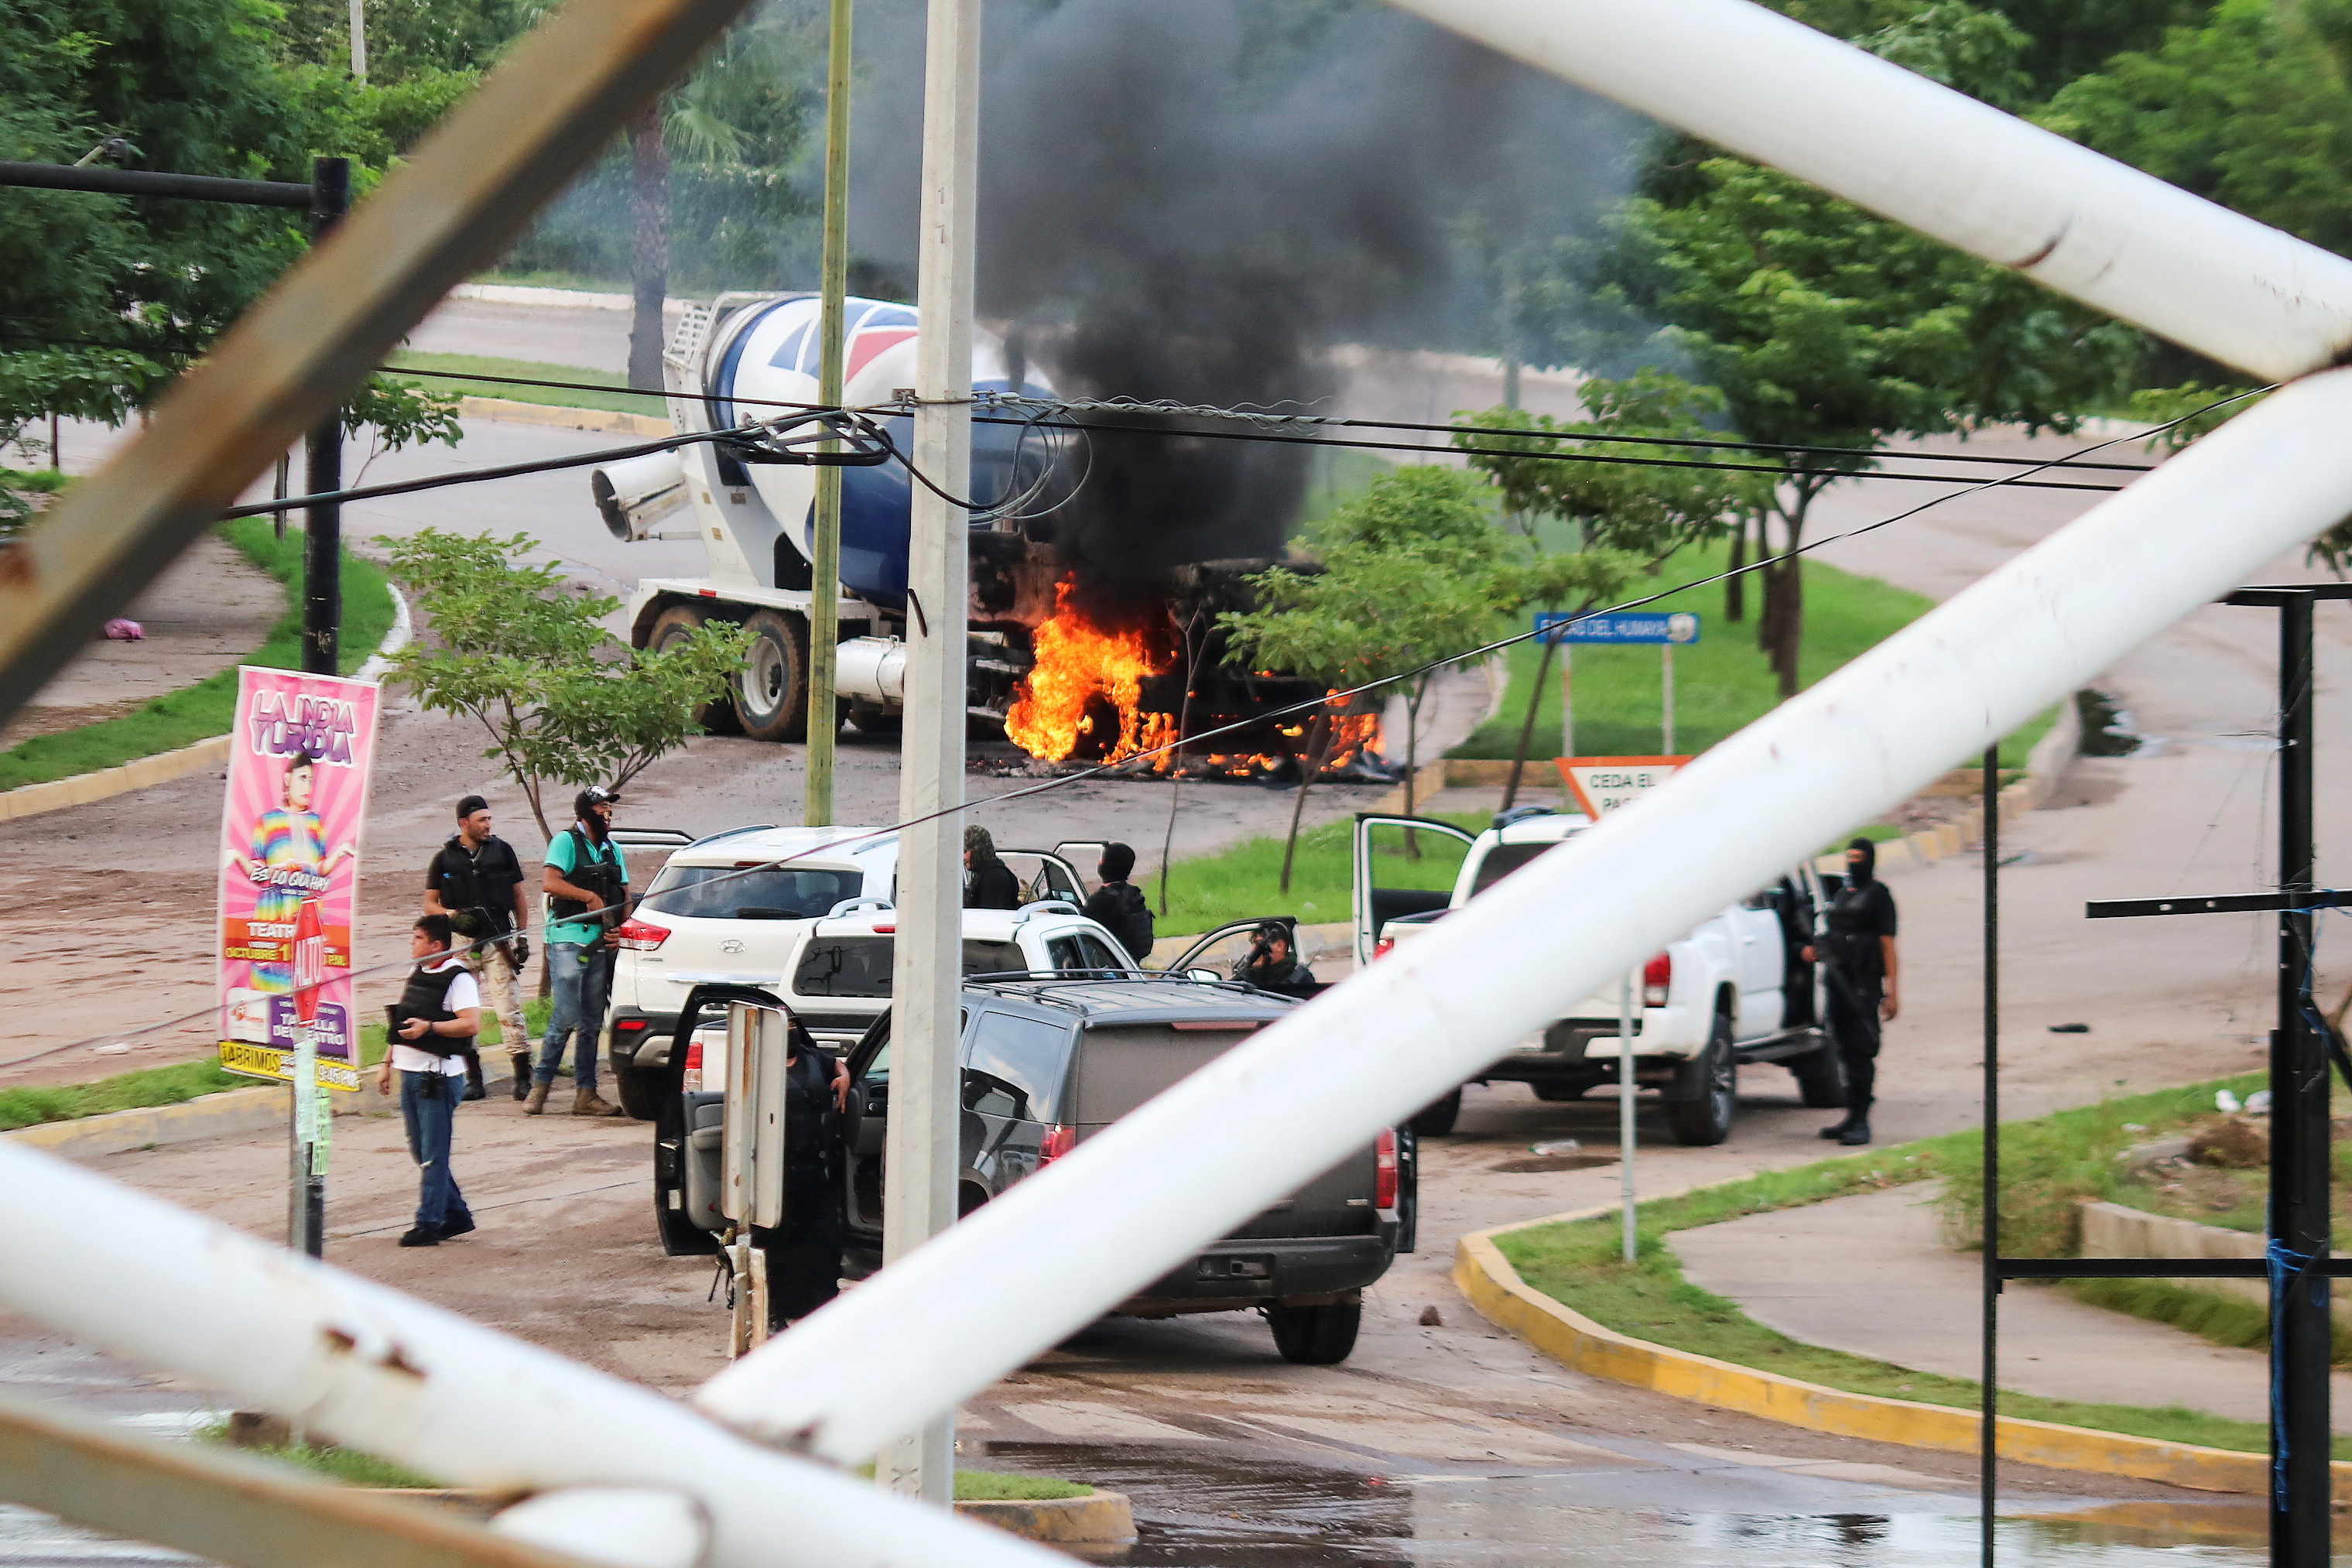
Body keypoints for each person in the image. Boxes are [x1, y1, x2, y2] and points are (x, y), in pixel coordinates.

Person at [378, 915, 480, 1248]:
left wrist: (430, 1028)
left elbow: (470, 1025)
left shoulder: (459, 979)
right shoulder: (416, 972)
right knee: (421, 1150)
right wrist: (386, 1060)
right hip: (409, 1071)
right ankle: (457, 1214)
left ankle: (429, 1222)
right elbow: (402, 1018)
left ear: (437, 945)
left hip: (436, 1076)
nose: (412, 943)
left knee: (434, 1153)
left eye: (418, 938)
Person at [424, 794, 532, 1102]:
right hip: (462, 943)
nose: (488, 825)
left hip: (499, 940)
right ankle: (474, 1078)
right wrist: (452, 916)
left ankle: (523, 1076)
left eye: (489, 819)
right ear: (464, 823)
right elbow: (430, 902)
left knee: (508, 1010)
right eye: (481, 820)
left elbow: (519, 896)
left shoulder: (502, 851)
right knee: (464, 1010)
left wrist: (521, 937)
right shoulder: (444, 859)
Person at [530, 786, 628, 1118]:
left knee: (590, 1022)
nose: (608, 815)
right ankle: (540, 1087)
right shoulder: (565, 842)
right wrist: (588, 897)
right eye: (602, 808)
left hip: (601, 943)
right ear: (586, 813)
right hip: (568, 939)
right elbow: (550, 882)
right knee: (566, 1016)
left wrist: (622, 932)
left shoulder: (613, 850)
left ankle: (586, 1094)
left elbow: (625, 894)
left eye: (609, 809)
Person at [1803, 837, 1901, 1146]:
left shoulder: (1879, 896)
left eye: (1860, 857)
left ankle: (1862, 1120)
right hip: (1838, 982)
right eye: (1850, 856)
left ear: (1871, 860)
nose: (1854, 861)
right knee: (1844, 1049)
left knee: (1861, 1048)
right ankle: (1851, 1115)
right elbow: (1834, 935)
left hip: (1863, 984)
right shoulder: (1843, 894)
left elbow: (1887, 944)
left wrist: (1893, 992)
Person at [762, 1019, 851, 1327]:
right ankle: (773, 1314)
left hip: (815, 1168)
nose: (789, 1033)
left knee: (826, 1243)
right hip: (775, 1174)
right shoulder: (760, 1064)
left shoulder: (814, 1059)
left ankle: (827, 1310)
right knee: (777, 1246)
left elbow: (840, 1065)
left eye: (792, 1026)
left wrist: (844, 1078)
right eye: (783, 1028)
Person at [244, 751, 354, 995]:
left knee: (306, 974)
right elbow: (257, 871)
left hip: (307, 908)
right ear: (287, 780)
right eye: (303, 778)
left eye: (311, 780)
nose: (308, 786)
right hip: (275, 909)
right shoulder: (267, 821)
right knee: (272, 973)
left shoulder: (315, 822)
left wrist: (341, 853)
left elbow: (321, 868)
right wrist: (280, 871)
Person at [1081, 841, 1155, 964]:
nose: (1099, 863)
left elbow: (1077, 926)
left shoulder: (1101, 901)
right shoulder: (1134, 895)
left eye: (1102, 860)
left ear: (1106, 865)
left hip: (1107, 966)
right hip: (1130, 964)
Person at [1233, 921, 1316, 999]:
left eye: (1260, 947)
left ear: (1280, 945)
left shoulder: (1299, 978)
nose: (1253, 952)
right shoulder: (1254, 975)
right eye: (1253, 945)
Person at [963, 825, 1022, 911]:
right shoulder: (988, 873)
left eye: (965, 851)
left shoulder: (993, 877)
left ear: (977, 850)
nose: (964, 857)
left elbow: (992, 916)